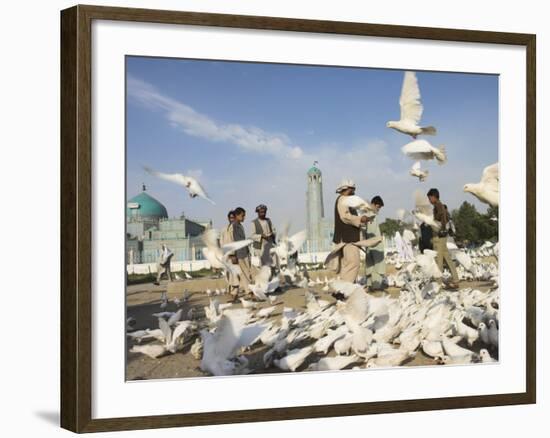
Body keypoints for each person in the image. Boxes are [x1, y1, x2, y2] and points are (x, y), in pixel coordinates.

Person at [331, 179, 371, 283]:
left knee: (347, 265)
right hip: (348, 238)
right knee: (354, 263)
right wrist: (360, 219)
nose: (353, 192)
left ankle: (343, 291)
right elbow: (345, 217)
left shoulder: (345, 200)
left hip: (346, 237)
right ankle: (344, 290)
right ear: (346, 189)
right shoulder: (343, 199)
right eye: (352, 189)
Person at [427, 188, 459, 289]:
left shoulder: (438, 206)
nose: (429, 200)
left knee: (438, 260)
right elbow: (444, 216)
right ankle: (455, 279)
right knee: (447, 259)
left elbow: (443, 217)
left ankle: (438, 284)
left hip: (439, 237)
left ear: (433, 197)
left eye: (429, 198)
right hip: (443, 236)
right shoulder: (440, 205)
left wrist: (441, 228)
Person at [231, 207, 255, 298]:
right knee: (244, 273)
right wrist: (233, 254)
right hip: (239, 253)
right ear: (237, 215)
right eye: (242, 215)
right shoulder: (233, 226)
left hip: (244, 252)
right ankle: (249, 292)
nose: (244, 217)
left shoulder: (240, 225)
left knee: (244, 273)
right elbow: (232, 241)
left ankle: (235, 293)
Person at [365, 195, 386, 290]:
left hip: (369, 245)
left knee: (370, 266)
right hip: (375, 244)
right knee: (378, 265)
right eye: (378, 207)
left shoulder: (365, 214)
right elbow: (372, 231)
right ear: (373, 204)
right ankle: (376, 286)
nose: (378, 210)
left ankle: (370, 285)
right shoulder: (370, 216)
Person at [220, 210, 240, 299]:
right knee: (228, 275)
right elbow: (221, 242)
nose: (232, 219)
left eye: (233, 218)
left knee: (235, 275)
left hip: (234, 255)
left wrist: (234, 255)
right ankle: (231, 291)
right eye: (230, 218)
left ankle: (235, 294)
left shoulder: (237, 228)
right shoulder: (224, 229)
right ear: (228, 218)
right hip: (226, 255)